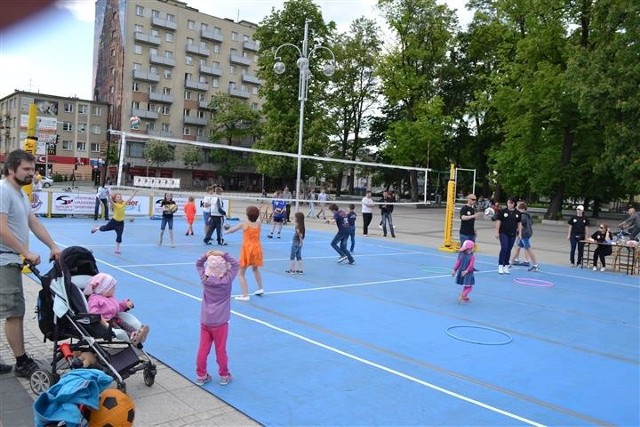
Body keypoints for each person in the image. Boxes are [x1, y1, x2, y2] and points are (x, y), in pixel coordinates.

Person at [0, 149, 61, 376]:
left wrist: (52, 246)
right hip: (3, 259)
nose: (31, 173)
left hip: (8, 258)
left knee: (7, 309)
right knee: (14, 311)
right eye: (26, 169)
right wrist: (25, 251)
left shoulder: (20, 194)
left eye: (33, 169)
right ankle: (22, 361)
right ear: (11, 169)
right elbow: (1, 229)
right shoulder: (3, 190)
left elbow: (33, 223)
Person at [195, 249, 239, 386]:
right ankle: (224, 374)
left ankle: (201, 374)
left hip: (206, 320)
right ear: (224, 268)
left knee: (203, 348)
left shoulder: (205, 279)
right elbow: (236, 265)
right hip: (221, 322)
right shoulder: (226, 280)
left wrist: (205, 255)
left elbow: (198, 264)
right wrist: (224, 254)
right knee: (221, 349)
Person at [84, 273, 149, 346]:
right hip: (106, 323)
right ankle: (133, 337)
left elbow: (117, 306)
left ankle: (139, 335)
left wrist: (125, 304)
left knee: (126, 325)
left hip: (116, 318)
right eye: (112, 288)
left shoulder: (110, 298)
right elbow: (93, 312)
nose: (114, 289)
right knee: (121, 330)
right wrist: (101, 320)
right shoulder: (94, 299)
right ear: (104, 288)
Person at [226, 206, 264, 301]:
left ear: (247, 215)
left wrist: (226, 231)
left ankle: (245, 295)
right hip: (257, 248)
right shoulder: (259, 224)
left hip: (248, 249)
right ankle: (260, 288)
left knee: (241, 273)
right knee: (255, 269)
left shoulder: (244, 224)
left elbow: (232, 230)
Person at [91, 189, 139, 254]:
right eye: (118, 197)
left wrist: (135, 192)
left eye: (120, 196)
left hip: (120, 223)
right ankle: (97, 228)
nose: (120, 197)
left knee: (119, 236)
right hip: (113, 222)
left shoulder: (124, 203)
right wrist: (108, 195)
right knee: (104, 229)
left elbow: (130, 198)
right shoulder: (115, 205)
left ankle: (117, 249)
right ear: (115, 199)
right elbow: (110, 201)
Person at [509, 201, 540, 272]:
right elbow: (531, 223)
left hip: (524, 235)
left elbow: (520, 226)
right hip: (527, 233)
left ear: (522, 209)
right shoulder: (527, 215)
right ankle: (510, 262)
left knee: (528, 249)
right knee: (518, 247)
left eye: (518, 208)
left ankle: (535, 265)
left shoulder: (522, 216)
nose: (517, 209)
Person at [495, 197, 521, 274]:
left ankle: (505, 265)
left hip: (512, 234)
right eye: (508, 203)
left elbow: (519, 223)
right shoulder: (503, 211)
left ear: (514, 204)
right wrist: (497, 232)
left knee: (509, 249)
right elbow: (498, 221)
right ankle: (500, 265)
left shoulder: (518, 213)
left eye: (511, 203)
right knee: (504, 248)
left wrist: (520, 233)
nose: (509, 204)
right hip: (503, 233)